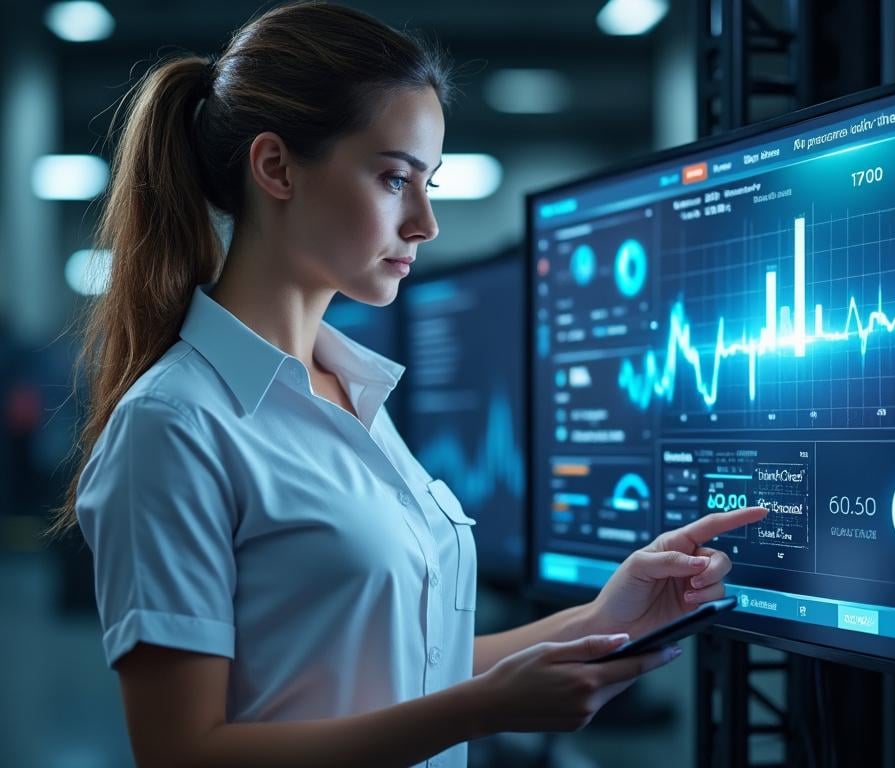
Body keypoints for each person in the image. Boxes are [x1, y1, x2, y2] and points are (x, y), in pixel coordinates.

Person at [53, 3, 768, 767]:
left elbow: (409, 664)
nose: (425, 221)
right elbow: (183, 754)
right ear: (275, 167)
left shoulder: (350, 389)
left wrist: (608, 613)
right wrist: (479, 712)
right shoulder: (174, 424)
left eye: (428, 182)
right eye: (395, 177)